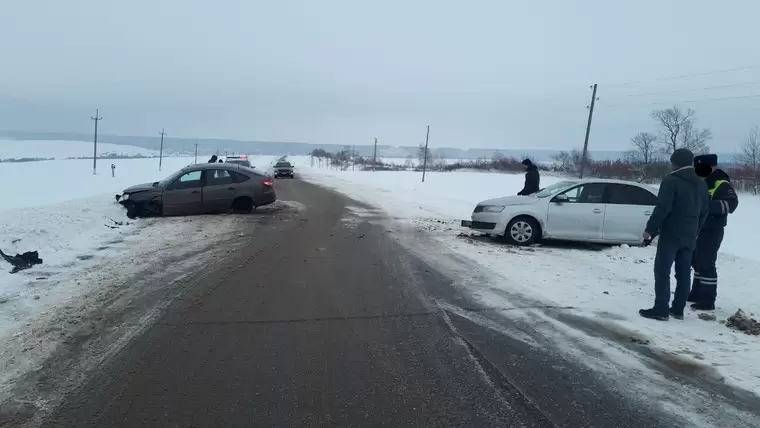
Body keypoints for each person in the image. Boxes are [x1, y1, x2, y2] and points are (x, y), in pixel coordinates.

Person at [640, 148, 708, 321]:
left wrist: (650, 230)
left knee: (662, 270)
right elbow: (704, 212)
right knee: (683, 272)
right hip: (690, 235)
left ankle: (661, 308)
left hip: (671, 234)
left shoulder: (671, 181)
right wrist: (696, 229)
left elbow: (663, 208)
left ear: (675, 162)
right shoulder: (701, 183)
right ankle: (677, 309)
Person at [688, 154, 739, 311]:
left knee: (706, 264)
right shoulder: (701, 181)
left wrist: (706, 207)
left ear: (713, 166)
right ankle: (696, 293)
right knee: (696, 262)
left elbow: (731, 204)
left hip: (712, 229)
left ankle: (708, 300)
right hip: (698, 229)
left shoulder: (721, 183)